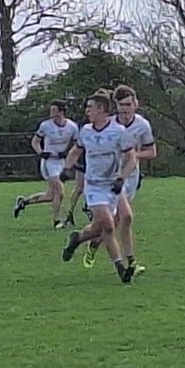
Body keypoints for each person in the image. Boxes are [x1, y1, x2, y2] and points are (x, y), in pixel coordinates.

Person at [59, 89, 138, 283]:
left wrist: (122, 177)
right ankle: (121, 268)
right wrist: (66, 169)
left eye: (90, 107)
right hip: (94, 186)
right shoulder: (85, 131)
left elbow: (131, 159)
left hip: (113, 186)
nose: (87, 111)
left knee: (99, 228)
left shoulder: (119, 132)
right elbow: (75, 151)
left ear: (101, 109)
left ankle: (77, 239)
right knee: (108, 225)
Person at [113, 85, 157, 275]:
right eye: (121, 105)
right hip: (110, 176)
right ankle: (87, 238)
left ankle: (129, 261)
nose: (125, 109)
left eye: (128, 104)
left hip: (130, 176)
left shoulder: (142, 125)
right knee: (120, 218)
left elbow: (152, 152)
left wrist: (133, 156)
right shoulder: (109, 125)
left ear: (135, 104)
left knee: (121, 218)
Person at [13, 100, 79, 229]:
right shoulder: (46, 126)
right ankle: (56, 221)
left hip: (61, 162)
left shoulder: (72, 127)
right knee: (59, 192)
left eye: (54, 110)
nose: (51, 113)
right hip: (49, 163)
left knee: (50, 196)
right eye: (51, 110)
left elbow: (77, 144)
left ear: (61, 112)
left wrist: (67, 153)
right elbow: (35, 141)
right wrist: (41, 153)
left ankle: (24, 202)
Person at [59, 98, 93, 228]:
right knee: (79, 188)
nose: (89, 111)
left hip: (96, 161)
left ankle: (89, 208)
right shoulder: (82, 126)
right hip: (83, 160)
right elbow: (76, 145)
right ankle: (69, 214)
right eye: (87, 109)